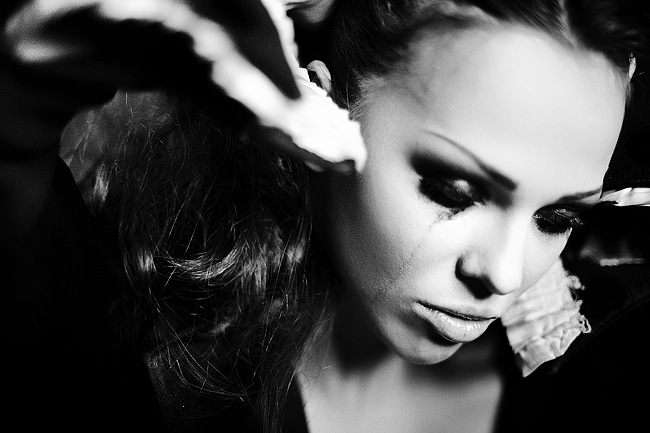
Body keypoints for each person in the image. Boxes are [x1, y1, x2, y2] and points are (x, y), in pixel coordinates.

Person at [1, 1, 649, 432]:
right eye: (452, 192)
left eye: (556, 217)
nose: (503, 275)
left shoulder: (573, 378)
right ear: (323, 108)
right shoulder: (134, 350)